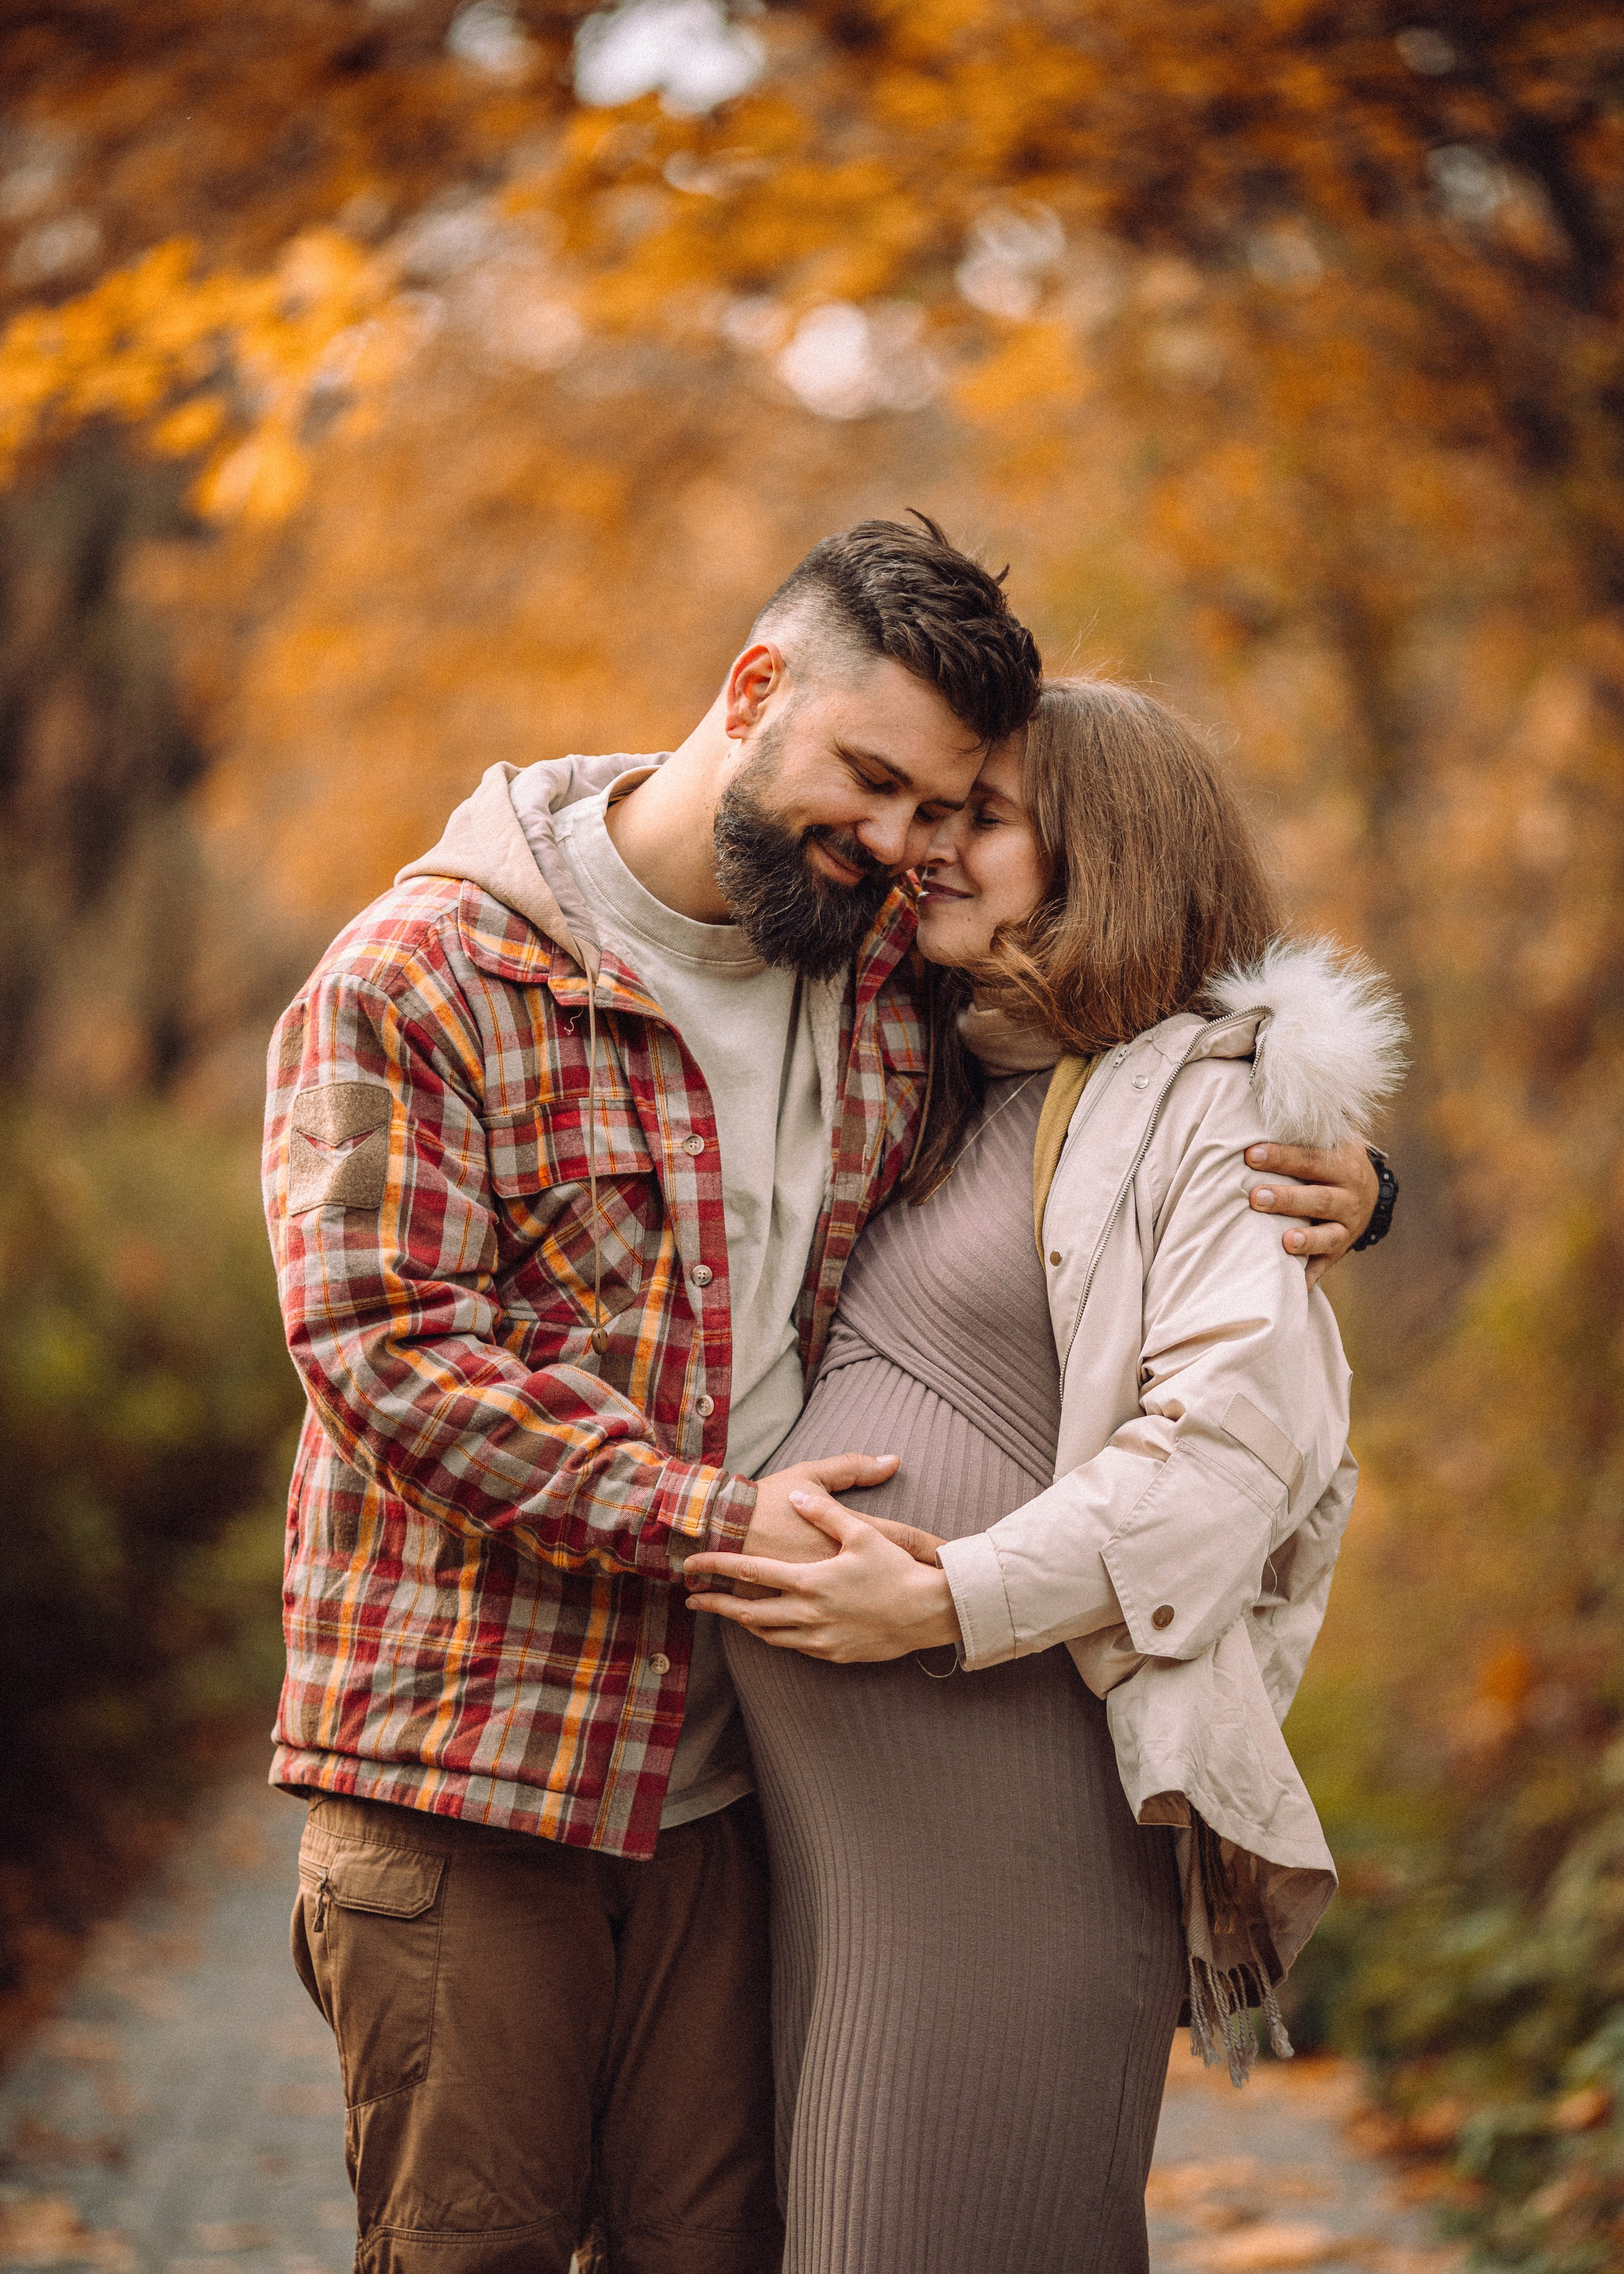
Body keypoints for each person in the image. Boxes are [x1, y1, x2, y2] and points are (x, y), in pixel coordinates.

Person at [261, 520, 1382, 2274]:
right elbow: (381, 1345)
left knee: (726, 2250)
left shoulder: (861, 965)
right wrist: (706, 1515)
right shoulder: (426, 975)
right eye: (871, 785)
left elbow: (1133, 1057)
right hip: (480, 1770)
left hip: (731, 1807)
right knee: (469, 2248)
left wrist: (1338, 1168)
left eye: (937, 814)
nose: (892, 848)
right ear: (752, 688)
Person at [685, 678, 1405, 2274]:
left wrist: (942, 1593)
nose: (925, 849)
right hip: (849, 1842)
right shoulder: (942, 1065)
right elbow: (720, 810)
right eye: (929, 814)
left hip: (1011, 1803)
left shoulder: (1215, 1108)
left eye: (978, 819)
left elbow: (1224, 1453)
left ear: (1107, 852)